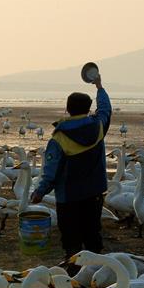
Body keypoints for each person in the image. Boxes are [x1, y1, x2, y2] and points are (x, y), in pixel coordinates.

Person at [30, 74, 112, 263]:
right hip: (94, 192)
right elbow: (105, 110)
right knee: (92, 230)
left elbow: (51, 172)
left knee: (71, 233)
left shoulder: (59, 138)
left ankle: (74, 265)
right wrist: (99, 86)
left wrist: (40, 192)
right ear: (88, 109)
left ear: (67, 109)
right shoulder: (98, 127)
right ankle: (94, 265)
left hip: (69, 196)